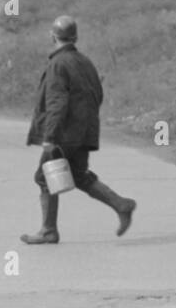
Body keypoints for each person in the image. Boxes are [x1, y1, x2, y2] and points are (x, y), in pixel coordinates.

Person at [22, 15, 136, 244]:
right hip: (84, 132)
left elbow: (57, 103)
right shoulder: (85, 62)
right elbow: (98, 95)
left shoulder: (58, 64)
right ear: (75, 37)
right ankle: (121, 204)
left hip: (64, 134)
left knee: (44, 177)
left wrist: (50, 136)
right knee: (78, 176)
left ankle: (48, 230)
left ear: (52, 36)